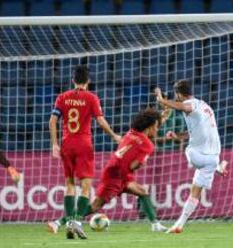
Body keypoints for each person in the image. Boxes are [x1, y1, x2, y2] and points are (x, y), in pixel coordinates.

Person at [66, 108, 168, 239]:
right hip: (117, 176)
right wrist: (141, 163)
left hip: (114, 171)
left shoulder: (131, 132)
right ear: (151, 126)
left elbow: (147, 132)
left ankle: (155, 224)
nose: (158, 130)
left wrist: (161, 116)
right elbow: (134, 165)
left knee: (142, 192)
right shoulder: (148, 145)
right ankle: (70, 221)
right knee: (95, 206)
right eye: (157, 127)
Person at [48, 65, 121, 239]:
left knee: (69, 184)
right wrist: (113, 136)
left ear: (73, 80)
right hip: (84, 144)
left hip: (66, 144)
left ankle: (69, 223)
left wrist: (54, 144)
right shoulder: (91, 98)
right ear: (88, 81)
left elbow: (52, 121)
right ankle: (76, 222)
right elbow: (101, 122)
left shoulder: (62, 97)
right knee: (86, 185)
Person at [155, 80, 228, 233]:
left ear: (179, 94)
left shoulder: (191, 104)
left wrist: (162, 101)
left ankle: (217, 167)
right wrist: (177, 136)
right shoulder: (204, 105)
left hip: (197, 155)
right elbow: (196, 130)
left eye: (176, 96)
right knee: (195, 192)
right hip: (213, 156)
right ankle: (179, 224)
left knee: (189, 152)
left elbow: (184, 106)